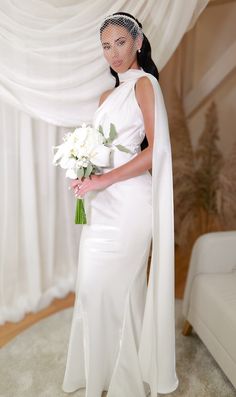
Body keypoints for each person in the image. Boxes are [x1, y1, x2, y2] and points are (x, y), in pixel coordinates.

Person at [62, 12, 179, 397]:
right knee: (98, 290)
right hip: (101, 206)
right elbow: (102, 151)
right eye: (106, 46)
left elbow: (156, 151)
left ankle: (123, 381)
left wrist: (104, 178)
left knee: (111, 287)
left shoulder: (145, 85)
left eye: (121, 43)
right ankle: (111, 378)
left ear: (138, 43)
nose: (113, 53)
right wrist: (85, 171)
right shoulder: (105, 96)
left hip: (131, 205)